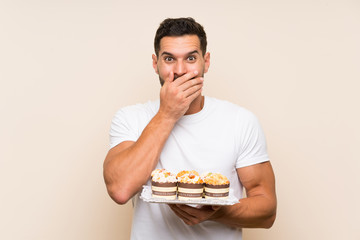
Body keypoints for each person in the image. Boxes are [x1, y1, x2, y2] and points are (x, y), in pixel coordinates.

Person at [103, 17, 277, 239]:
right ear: (156, 64)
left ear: (206, 61)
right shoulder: (131, 118)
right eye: (169, 59)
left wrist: (216, 213)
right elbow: (120, 189)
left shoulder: (240, 121)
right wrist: (167, 114)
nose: (180, 70)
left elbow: (267, 211)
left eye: (191, 58)